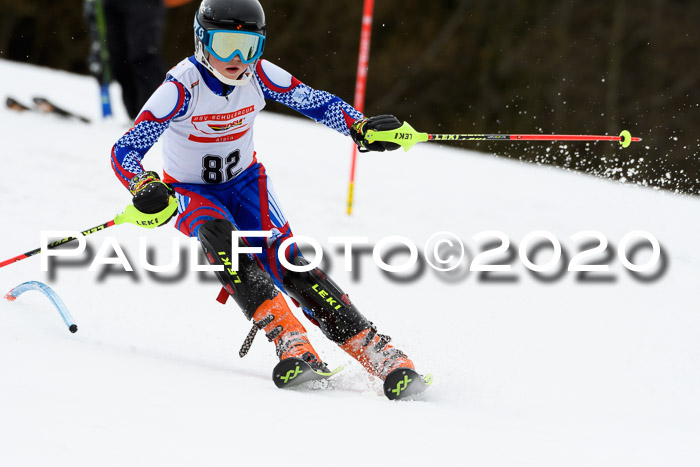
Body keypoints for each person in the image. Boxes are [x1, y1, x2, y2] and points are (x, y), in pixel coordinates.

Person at [110, 0, 426, 396]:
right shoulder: (180, 88)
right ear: (201, 40)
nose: (238, 58)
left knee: (286, 260)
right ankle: (290, 341)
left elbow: (315, 101)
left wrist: (360, 127)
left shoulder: (258, 74)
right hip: (191, 191)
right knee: (218, 236)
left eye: (249, 45)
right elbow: (124, 151)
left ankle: (376, 350)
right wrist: (143, 185)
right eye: (226, 44)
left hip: (246, 183)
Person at [102, 0, 166, 120]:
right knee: (119, 61)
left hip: (144, 4)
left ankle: (155, 117)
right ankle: (135, 117)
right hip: (112, 3)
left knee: (143, 57)